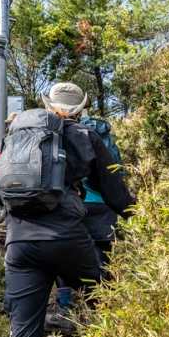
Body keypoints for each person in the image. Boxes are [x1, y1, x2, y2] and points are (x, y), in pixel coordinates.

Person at [0, 82, 134, 337]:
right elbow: (116, 195)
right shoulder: (85, 135)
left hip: (20, 246)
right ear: (80, 108)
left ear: (44, 105)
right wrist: (146, 221)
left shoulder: (17, 135)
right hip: (69, 240)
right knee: (106, 307)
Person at [56, 112, 127, 311]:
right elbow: (117, 173)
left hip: (80, 204)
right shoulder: (108, 140)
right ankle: (102, 308)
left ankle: (65, 304)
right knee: (104, 259)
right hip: (106, 206)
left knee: (66, 254)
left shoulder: (71, 136)